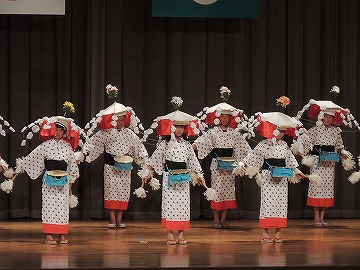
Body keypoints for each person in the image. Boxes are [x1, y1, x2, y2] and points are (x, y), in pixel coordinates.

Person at [141, 96, 206, 245]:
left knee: (183, 206)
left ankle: (181, 235)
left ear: (185, 129)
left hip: (183, 178)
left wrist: (199, 174)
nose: (179, 129)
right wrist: (147, 172)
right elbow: (155, 158)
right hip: (169, 178)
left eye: (182, 127)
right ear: (172, 127)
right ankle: (170, 234)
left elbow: (193, 161)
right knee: (170, 205)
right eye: (176, 126)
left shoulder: (187, 145)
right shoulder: (165, 144)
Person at [84, 85, 148, 229]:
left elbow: (138, 147)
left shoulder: (129, 133)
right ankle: (112, 218)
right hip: (111, 166)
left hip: (125, 166)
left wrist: (145, 162)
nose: (120, 122)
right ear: (113, 120)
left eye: (122, 119)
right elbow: (94, 144)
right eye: (117, 119)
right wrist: (83, 153)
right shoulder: (106, 132)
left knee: (124, 191)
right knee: (111, 190)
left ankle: (120, 218)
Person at [15, 112, 82, 245]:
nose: (57, 133)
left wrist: (71, 179)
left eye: (60, 130)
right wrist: (22, 165)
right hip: (49, 181)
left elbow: (71, 165)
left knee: (62, 207)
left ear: (64, 132)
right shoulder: (45, 145)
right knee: (49, 206)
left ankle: (62, 235)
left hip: (63, 181)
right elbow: (33, 157)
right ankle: (49, 235)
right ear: (53, 131)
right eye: (56, 130)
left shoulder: (68, 147)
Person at [192, 86, 252, 229]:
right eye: (223, 116)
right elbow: (202, 141)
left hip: (230, 166)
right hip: (217, 166)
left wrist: (246, 162)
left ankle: (224, 219)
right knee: (217, 191)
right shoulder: (213, 132)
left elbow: (244, 148)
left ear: (230, 118)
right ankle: (216, 219)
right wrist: (191, 147)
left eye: (227, 116)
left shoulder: (235, 133)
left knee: (229, 191)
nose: (225, 119)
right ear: (219, 118)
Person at [293, 99, 357, 227]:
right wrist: (299, 150)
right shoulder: (315, 130)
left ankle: (322, 218)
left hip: (330, 163)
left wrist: (343, 152)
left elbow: (339, 146)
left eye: (331, 117)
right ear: (322, 117)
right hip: (318, 162)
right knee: (317, 187)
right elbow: (305, 141)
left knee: (327, 189)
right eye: (326, 117)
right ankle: (316, 218)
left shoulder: (336, 131)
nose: (328, 119)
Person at [243, 111, 305, 243]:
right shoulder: (264, 144)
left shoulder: (284, 145)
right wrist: (243, 164)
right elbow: (252, 156)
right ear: (274, 130)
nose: (282, 134)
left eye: (284, 131)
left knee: (281, 204)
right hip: (268, 178)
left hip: (282, 177)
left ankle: (278, 233)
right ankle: (265, 233)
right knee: (267, 204)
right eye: (280, 131)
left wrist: (297, 171)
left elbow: (290, 160)